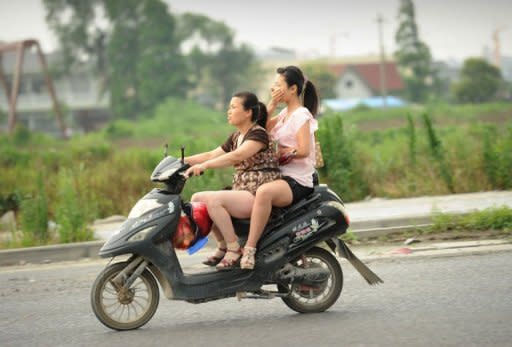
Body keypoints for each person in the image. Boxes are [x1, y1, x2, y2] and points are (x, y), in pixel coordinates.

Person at [184, 91, 280, 270]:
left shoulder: (258, 134)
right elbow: (211, 154)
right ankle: (222, 244)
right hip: (241, 192)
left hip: (256, 193)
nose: (229, 111)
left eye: (233, 107)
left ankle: (234, 248)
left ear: (248, 112)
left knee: (214, 200)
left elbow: (237, 156)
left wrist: (205, 166)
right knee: (197, 199)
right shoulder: (236, 136)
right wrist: (182, 161)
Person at [240, 66, 319, 270]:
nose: (273, 88)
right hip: (282, 177)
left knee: (264, 192)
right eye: (273, 85)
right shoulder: (285, 113)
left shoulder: (301, 115)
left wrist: (284, 152)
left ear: (292, 89)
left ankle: (250, 249)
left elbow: (303, 150)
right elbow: (258, 129)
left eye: (278, 86)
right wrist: (273, 103)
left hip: (297, 180)